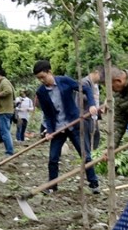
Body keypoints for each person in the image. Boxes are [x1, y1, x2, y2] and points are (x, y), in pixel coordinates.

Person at [33, 60, 101, 193]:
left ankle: (94, 184)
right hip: (58, 128)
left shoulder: (64, 81)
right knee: (53, 158)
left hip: (74, 124)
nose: (41, 80)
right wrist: (50, 131)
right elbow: (47, 114)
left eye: (43, 77)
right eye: (39, 78)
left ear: (49, 72)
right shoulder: (41, 92)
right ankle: (52, 186)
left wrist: (92, 105)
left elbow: (85, 89)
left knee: (85, 155)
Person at [0, 68, 17, 155]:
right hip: (5, 110)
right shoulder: (3, 82)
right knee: (6, 131)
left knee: (5, 132)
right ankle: (9, 150)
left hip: (5, 111)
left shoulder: (4, 82)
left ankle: (9, 151)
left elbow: (8, 91)